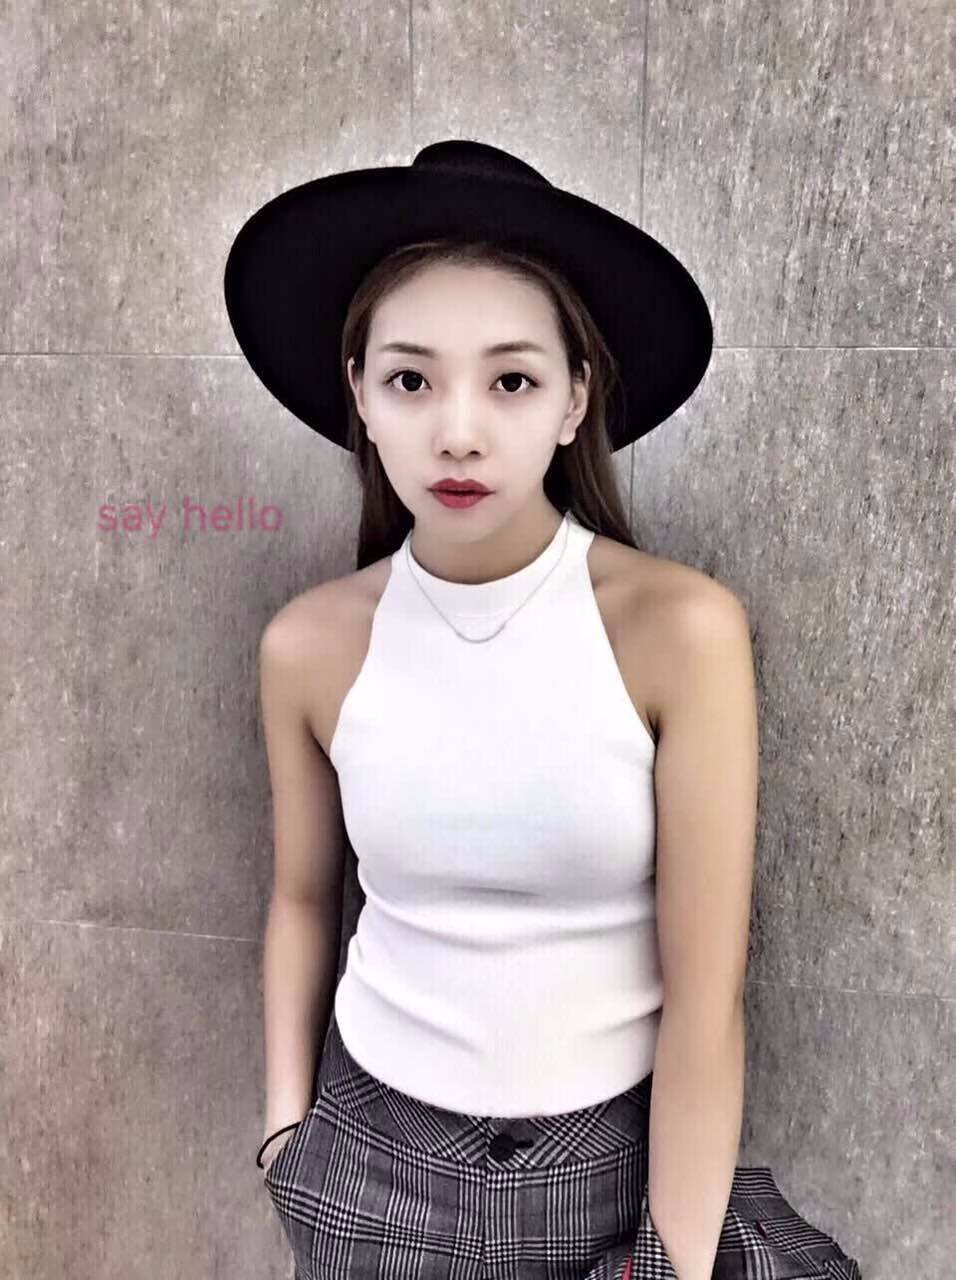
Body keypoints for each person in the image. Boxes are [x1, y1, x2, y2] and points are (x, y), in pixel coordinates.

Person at [225, 140, 863, 1280]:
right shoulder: (308, 644)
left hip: (612, 1175)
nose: (457, 431)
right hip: (366, 1168)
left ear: (575, 398)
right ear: (359, 394)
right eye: (411, 380)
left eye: (510, 380)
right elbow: (302, 897)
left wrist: (671, 1263)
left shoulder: (680, 629)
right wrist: (286, 1135)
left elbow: (706, 996)